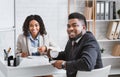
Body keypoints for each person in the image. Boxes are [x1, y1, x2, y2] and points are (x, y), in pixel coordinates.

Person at [47, 12, 103, 77]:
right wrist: (52, 54)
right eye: (68, 26)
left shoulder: (89, 40)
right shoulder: (71, 40)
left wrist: (63, 64)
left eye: (74, 25)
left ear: (83, 28)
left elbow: (87, 64)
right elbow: (67, 55)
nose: (70, 29)